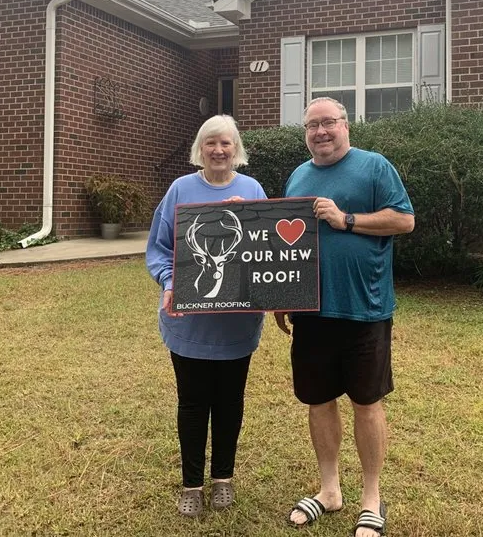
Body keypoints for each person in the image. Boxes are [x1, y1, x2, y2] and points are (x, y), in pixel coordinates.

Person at [277, 97, 414, 537]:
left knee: (367, 402)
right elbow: (287, 245)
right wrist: (282, 293)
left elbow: (404, 220)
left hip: (364, 309)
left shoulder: (374, 167)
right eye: (312, 125)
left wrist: (346, 219)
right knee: (318, 400)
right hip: (312, 313)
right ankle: (329, 490)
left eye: (329, 123)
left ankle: (371, 499)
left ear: (346, 126)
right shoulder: (299, 175)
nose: (321, 132)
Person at [146, 114, 266, 518]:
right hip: (189, 324)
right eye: (211, 143)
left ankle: (223, 480)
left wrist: (248, 219)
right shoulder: (180, 188)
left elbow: (267, 250)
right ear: (201, 148)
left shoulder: (252, 189)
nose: (218, 150)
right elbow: (160, 249)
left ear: (237, 150)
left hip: (237, 324)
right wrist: (169, 283)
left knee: (231, 402)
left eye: (226, 143)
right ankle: (192, 485)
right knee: (193, 403)